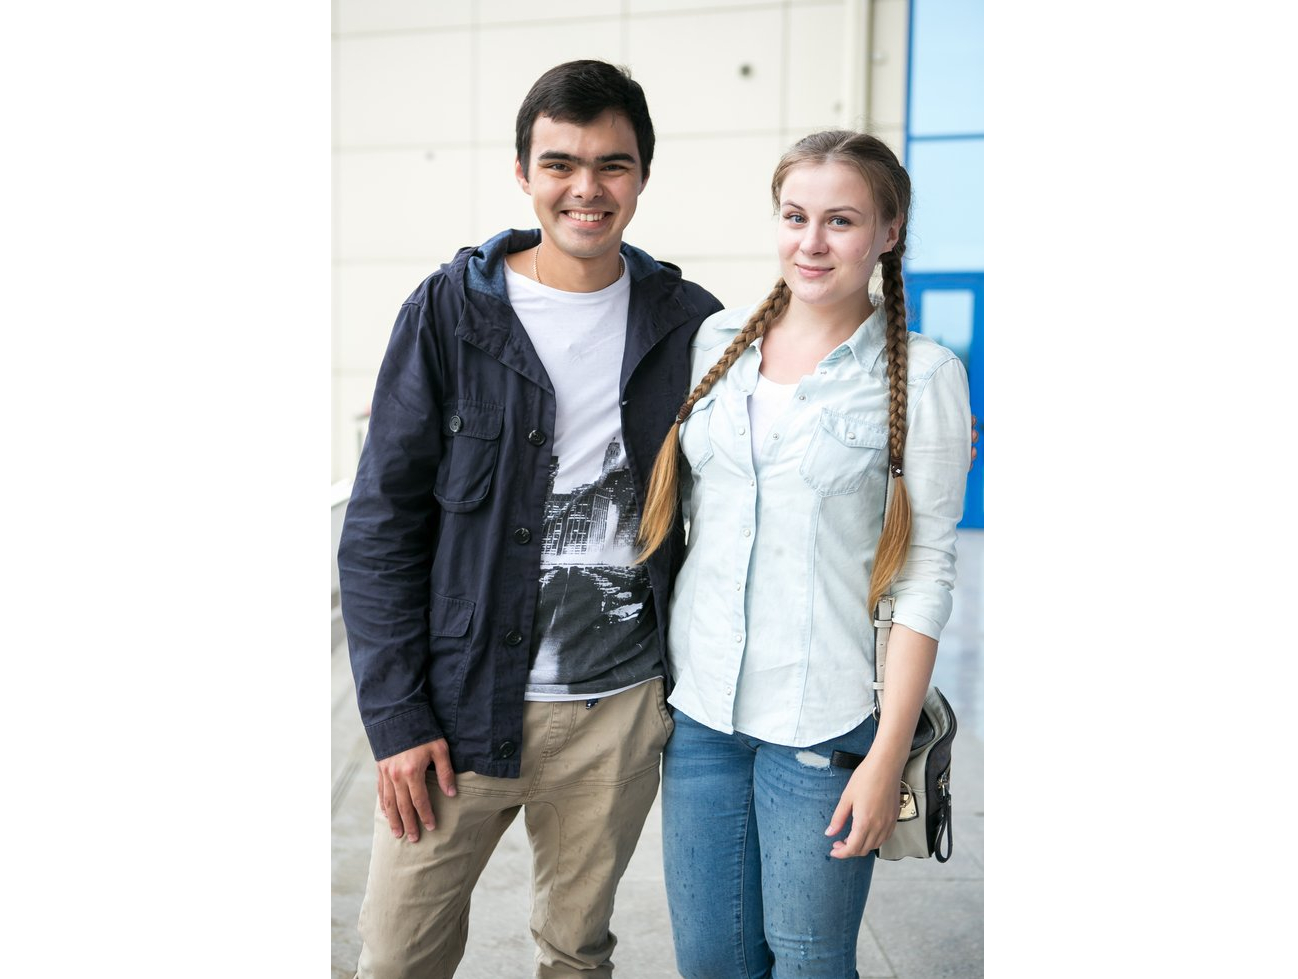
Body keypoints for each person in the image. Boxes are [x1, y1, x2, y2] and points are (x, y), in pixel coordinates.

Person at [336, 60, 722, 979]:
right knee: (396, 957)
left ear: (643, 175)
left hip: (616, 711)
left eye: (612, 164)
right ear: (523, 173)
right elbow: (380, 526)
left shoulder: (690, 323)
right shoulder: (449, 312)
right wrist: (396, 717)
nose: (587, 188)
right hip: (457, 710)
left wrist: (907, 416)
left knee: (576, 954)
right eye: (560, 164)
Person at [636, 130, 972, 979]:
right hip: (703, 712)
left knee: (812, 961)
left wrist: (888, 755)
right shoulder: (714, 343)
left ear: (889, 232)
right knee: (711, 961)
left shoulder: (926, 376)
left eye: (841, 220)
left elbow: (925, 574)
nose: (812, 242)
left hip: (824, 722)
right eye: (795, 217)